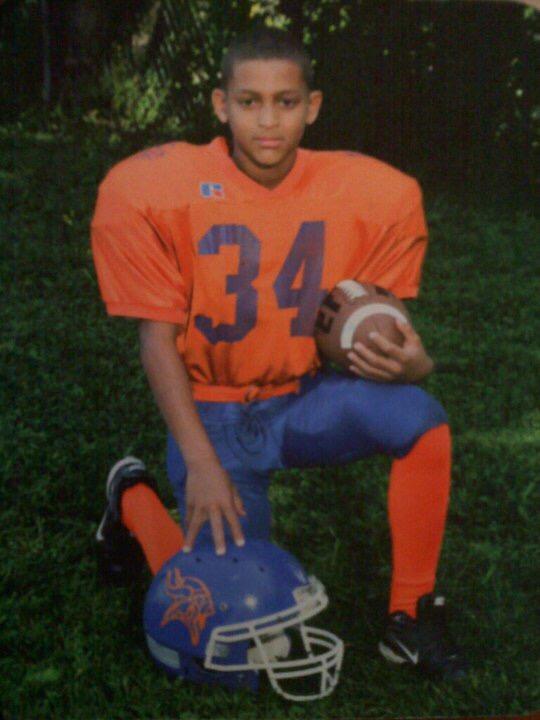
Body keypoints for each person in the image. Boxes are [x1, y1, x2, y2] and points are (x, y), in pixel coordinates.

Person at [91, 27, 467, 684]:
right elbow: (156, 341)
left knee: (421, 418)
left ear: (312, 106)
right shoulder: (157, 185)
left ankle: (411, 616)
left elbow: (382, 325)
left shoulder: (368, 190)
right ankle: (133, 497)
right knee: (219, 601)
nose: (268, 120)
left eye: (286, 102)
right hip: (212, 415)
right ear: (221, 104)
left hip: (302, 399)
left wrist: (416, 366)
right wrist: (202, 462)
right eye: (250, 101)